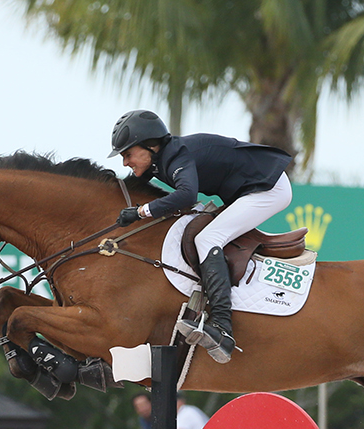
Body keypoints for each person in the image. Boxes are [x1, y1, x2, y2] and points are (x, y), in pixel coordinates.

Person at [110, 109, 293, 364]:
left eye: (128, 154)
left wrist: (142, 212)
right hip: (249, 190)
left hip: (268, 188)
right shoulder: (159, 160)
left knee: (207, 239)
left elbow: (186, 196)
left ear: (150, 146)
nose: (125, 162)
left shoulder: (177, 157)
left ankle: (222, 328)